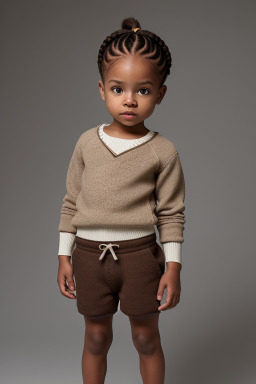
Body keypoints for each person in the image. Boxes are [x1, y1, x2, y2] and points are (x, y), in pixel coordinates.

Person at [57, 16, 186, 384]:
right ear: (102, 89)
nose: (129, 99)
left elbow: (172, 214)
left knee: (146, 338)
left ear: (160, 94)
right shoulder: (86, 143)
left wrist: (173, 268)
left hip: (140, 259)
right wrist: (63, 256)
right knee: (96, 337)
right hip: (87, 256)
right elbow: (71, 202)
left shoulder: (164, 151)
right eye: (117, 89)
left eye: (143, 91)